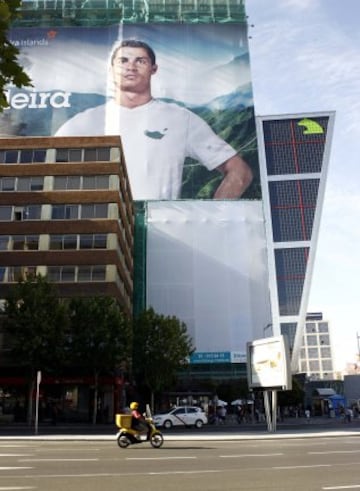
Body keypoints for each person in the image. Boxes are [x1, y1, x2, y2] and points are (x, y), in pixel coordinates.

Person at [55, 39, 253, 200]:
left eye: (140, 61)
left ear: (154, 68)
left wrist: (214, 213)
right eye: (123, 61)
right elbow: (48, 172)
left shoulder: (180, 119)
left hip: (158, 234)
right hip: (98, 236)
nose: (131, 67)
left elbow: (240, 172)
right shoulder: (81, 123)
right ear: (111, 69)